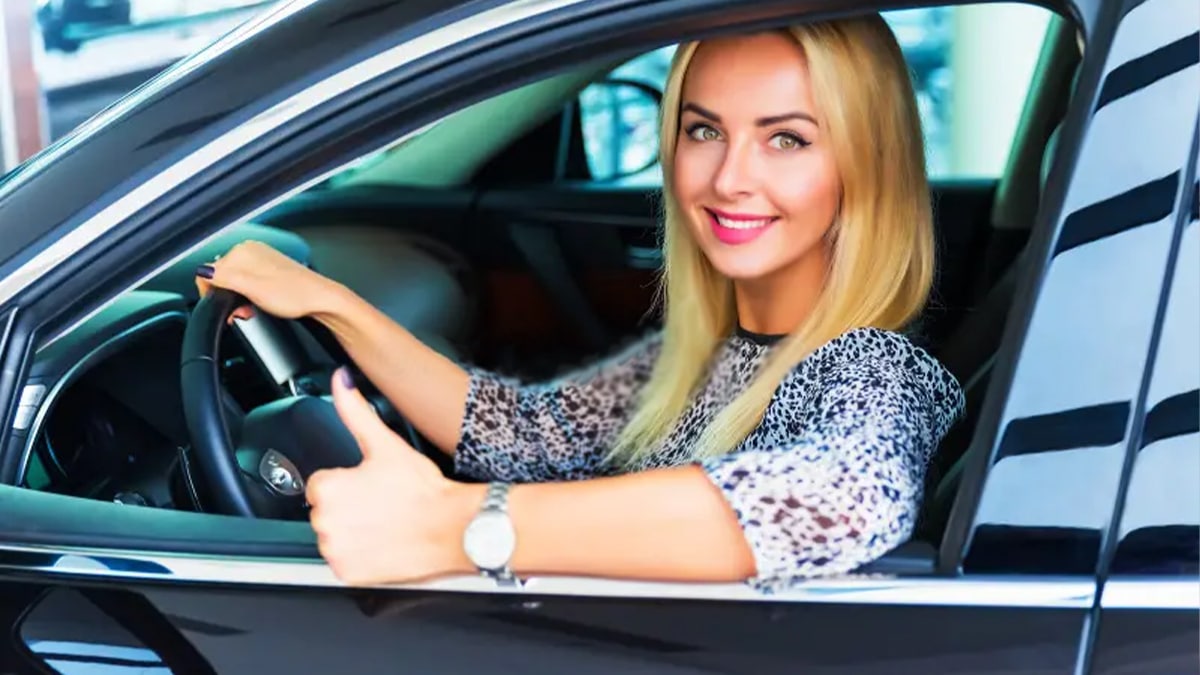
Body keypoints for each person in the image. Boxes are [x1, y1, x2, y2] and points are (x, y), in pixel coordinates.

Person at [196, 14, 965, 593]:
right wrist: (330, 304)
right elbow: (529, 433)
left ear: (867, 165)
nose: (729, 177)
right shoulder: (696, 354)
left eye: (787, 139)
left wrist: (451, 525)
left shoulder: (875, 367)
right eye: (704, 130)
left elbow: (842, 496)